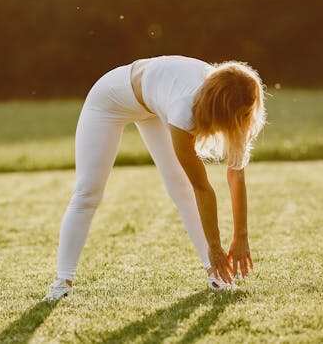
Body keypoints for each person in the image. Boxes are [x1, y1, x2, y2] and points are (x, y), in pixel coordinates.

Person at [45, 56, 266, 301]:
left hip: (153, 107)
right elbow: (202, 188)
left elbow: (236, 175)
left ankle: (217, 276)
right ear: (222, 110)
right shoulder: (185, 109)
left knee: (180, 187)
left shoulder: (240, 101)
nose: (245, 119)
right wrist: (215, 247)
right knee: (87, 192)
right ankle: (62, 282)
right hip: (110, 99)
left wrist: (241, 236)